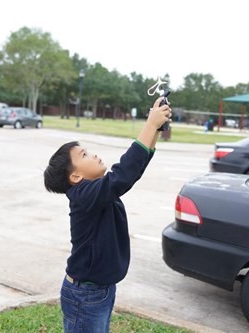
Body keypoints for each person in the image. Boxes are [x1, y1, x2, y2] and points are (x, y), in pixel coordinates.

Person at [43, 96, 171, 332]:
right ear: (75, 177)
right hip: (86, 294)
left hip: (98, 290)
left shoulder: (95, 193)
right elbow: (123, 176)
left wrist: (155, 128)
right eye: (84, 155)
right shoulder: (84, 197)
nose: (93, 155)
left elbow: (134, 171)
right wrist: (150, 125)